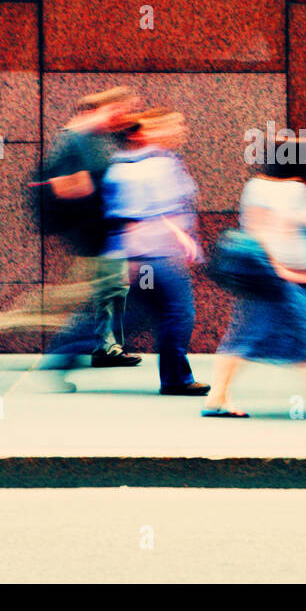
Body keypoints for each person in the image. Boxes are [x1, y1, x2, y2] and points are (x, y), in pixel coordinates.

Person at [202, 157, 306, 418]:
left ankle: (218, 397)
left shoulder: (256, 186)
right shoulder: (295, 190)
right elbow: (296, 224)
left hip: (269, 276)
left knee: (252, 336)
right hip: (286, 279)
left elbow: (257, 228)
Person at [102, 109, 207, 396]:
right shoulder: (144, 166)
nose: (178, 130)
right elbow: (135, 216)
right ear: (145, 132)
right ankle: (176, 380)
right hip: (155, 256)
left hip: (152, 256)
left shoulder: (152, 162)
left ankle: (68, 348)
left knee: (150, 313)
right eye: (169, 125)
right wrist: (180, 238)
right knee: (177, 313)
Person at [38, 87, 142, 377]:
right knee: (96, 291)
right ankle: (31, 324)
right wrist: (95, 188)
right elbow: (63, 185)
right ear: (98, 109)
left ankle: (104, 347)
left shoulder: (96, 140)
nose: (120, 119)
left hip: (101, 232)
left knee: (108, 291)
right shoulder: (75, 140)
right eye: (116, 111)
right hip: (90, 232)